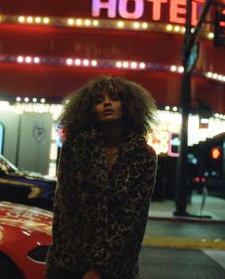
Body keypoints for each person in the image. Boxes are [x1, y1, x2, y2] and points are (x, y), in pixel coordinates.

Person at [46, 75, 158, 279]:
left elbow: (130, 218)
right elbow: (65, 208)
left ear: (128, 105)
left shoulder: (143, 156)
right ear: (89, 110)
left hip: (117, 267)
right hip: (70, 263)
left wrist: (98, 268)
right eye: (99, 100)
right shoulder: (75, 148)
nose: (107, 103)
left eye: (114, 98)